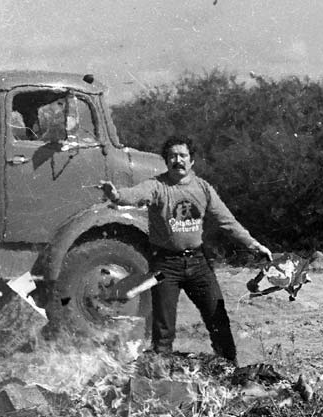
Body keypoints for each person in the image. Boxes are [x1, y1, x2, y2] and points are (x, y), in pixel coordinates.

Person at [99, 136, 272, 365]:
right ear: (166, 161)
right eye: (172, 156)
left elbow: (227, 222)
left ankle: (231, 370)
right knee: (163, 329)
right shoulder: (157, 186)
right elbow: (136, 194)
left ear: (192, 161)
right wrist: (117, 196)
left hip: (199, 264)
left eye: (183, 156)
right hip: (165, 267)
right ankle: (159, 382)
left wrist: (254, 245)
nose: (177, 160)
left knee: (218, 319)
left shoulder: (202, 188)